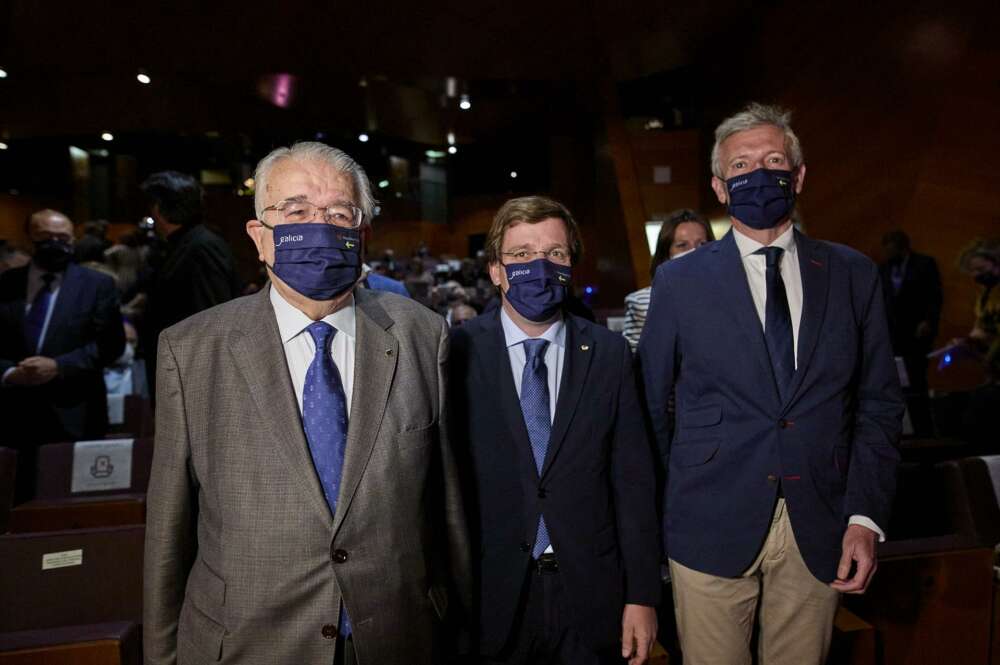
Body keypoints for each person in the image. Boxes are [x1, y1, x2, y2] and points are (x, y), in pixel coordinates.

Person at [143, 142, 470, 665]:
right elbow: (169, 525)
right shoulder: (190, 349)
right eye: (295, 212)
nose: (318, 227)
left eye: (338, 213)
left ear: (361, 235)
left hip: (398, 639)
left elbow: (446, 503)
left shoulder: (422, 336)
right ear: (260, 238)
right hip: (249, 643)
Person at [638, 103, 903, 665]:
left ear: (799, 176)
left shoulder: (854, 274)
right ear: (720, 186)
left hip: (822, 522)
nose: (759, 174)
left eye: (774, 160)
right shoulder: (679, 280)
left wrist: (863, 516)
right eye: (741, 166)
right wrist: (667, 507)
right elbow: (650, 407)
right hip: (707, 520)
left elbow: (879, 403)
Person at [450, 196, 660, 665]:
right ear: (495, 270)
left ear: (572, 266)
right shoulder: (455, 354)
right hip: (490, 597)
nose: (539, 266)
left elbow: (634, 482)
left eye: (555, 254)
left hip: (591, 594)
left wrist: (642, 595)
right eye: (522, 255)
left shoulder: (609, 355)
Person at [0, 209, 124, 502]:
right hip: (12, 414)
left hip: (74, 411)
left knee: (68, 505)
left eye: (63, 238)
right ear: (30, 238)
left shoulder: (96, 285)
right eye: (46, 237)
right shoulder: (5, 285)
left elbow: (110, 346)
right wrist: (9, 372)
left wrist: (58, 366)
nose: (55, 243)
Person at [140, 170, 242, 398]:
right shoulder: (185, 244)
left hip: (195, 382)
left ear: (158, 208)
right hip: (184, 374)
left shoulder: (200, 247)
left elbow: (214, 317)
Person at [622, 210, 714, 352]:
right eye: (682, 245)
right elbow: (635, 360)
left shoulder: (725, 295)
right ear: (666, 252)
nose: (694, 251)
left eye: (702, 244)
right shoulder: (642, 302)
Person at [879, 229, 942, 435]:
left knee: (917, 383)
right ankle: (906, 430)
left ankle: (925, 430)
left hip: (917, 335)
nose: (887, 253)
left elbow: (934, 296)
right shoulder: (883, 269)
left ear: (902, 247)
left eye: (891, 248)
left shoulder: (924, 264)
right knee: (897, 385)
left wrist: (928, 321)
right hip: (893, 337)